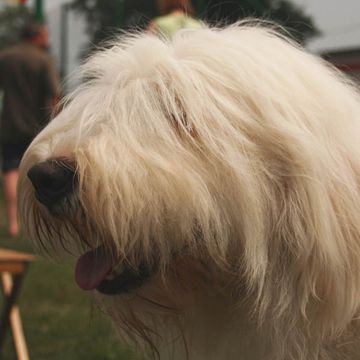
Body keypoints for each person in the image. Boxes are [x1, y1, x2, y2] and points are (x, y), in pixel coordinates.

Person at [0, 21, 60, 237]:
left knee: (11, 171)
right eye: (45, 35)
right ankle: (35, 224)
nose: (47, 39)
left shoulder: (5, 57)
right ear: (36, 37)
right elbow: (54, 94)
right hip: (37, 127)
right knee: (40, 173)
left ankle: (14, 224)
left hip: (10, 124)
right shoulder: (43, 60)